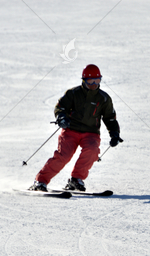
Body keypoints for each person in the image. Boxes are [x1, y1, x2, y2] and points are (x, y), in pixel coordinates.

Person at [29, 64, 122, 192]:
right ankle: (40, 181)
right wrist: (61, 118)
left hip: (91, 133)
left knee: (92, 151)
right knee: (64, 156)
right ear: (83, 80)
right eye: (90, 81)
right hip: (71, 130)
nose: (94, 84)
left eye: (97, 80)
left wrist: (115, 133)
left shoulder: (104, 98)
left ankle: (76, 180)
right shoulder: (73, 93)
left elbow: (110, 118)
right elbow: (60, 107)